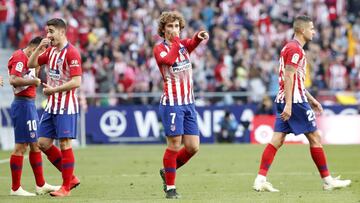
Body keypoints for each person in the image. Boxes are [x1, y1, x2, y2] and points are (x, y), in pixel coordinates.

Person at [252, 15, 351, 192]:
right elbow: (289, 77)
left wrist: (312, 100)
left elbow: (294, 78)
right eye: (311, 28)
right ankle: (328, 181)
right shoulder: (295, 49)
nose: (313, 31)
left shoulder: (289, 48)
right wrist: (290, 105)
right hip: (294, 101)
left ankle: (260, 179)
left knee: (277, 139)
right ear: (301, 30)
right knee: (315, 138)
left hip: (286, 98)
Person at [153, 11, 209, 199]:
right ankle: (170, 188)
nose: (174, 30)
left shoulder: (182, 46)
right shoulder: (159, 48)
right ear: (163, 29)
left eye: (177, 26)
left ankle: (167, 170)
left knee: (193, 147)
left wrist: (198, 38)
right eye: (170, 26)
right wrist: (179, 42)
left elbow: (190, 44)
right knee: (174, 144)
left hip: (188, 103)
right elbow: (168, 60)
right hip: (172, 104)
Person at [28, 18, 81, 197]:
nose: (48, 35)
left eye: (51, 31)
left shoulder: (71, 53)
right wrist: (38, 48)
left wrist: (55, 90)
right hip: (52, 105)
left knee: (65, 143)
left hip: (66, 106)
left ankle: (66, 187)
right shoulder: (50, 51)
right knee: (42, 143)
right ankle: (71, 178)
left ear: (61, 32)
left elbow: (76, 81)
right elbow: (31, 64)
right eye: (47, 32)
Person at [8, 36, 59, 196]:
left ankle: (41, 184)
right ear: (32, 47)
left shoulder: (30, 59)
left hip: (29, 104)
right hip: (22, 105)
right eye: (39, 51)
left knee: (35, 145)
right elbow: (13, 79)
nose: (40, 56)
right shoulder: (20, 57)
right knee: (21, 147)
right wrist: (33, 82)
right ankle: (15, 188)